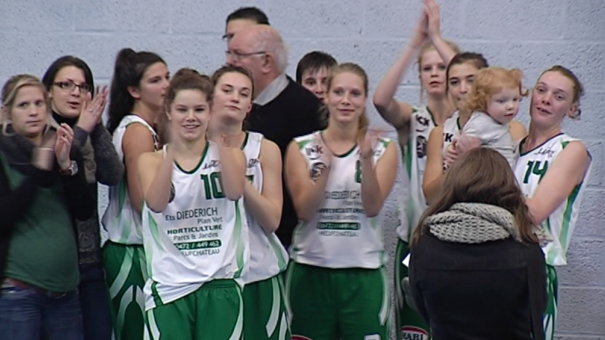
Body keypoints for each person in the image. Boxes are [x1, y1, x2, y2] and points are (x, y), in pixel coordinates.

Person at [285, 62, 398, 340]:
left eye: (355, 93)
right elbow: (305, 211)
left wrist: (366, 159)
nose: (346, 100)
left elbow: (372, 207)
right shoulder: (300, 147)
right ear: (326, 96)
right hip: (311, 271)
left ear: (364, 99)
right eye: (339, 92)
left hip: (363, 273)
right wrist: (326, 168)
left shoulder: (384, 149)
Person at [139, 68, 248, 340]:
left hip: (219, 282)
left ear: (210, 111)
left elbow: (235, 191)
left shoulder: (232, 155)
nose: (190, 117)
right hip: (170, 286)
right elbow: (156, 202)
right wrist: (173, 149)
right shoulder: (150, 160)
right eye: (182, 109)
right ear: (169, 112)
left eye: (199, 109)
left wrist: (218, 139)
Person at [372, 1, 458, 338]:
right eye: (428, 68)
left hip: (460, 243)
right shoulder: (413, 119)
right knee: (414, 331)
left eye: (442, 67)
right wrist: (414, 45)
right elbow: (380, 100)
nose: (436, 74)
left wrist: (436, 37)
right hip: (416, 242)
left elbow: (476, 82)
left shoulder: (474, 121)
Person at [409, 147, 547, 340]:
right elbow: (538, 310)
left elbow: (423, 309)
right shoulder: (527, 250)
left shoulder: (423, 246)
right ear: (506, 187)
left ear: (453, 184)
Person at [0, 74, 94, 339]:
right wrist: (38, 171)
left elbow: (84, 210)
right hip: (19, 292)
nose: (33, 112)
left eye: (39, 104)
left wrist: (66, 167)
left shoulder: (60, 146)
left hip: (66, 293)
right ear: (7, 113)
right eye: (24, 105)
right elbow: (4, 216)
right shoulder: (3, 152)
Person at [42, 55, 122, 340]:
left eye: (83, 86)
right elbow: (49, 172)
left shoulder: (89, 130)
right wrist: (81, 130)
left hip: (89, 262)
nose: (76, 92)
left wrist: (95, 127)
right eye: (66, 84)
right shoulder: (39, 129)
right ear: (48, 90)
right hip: (50, 267)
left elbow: (113, 174)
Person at [210, 65, 290, 340]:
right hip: (210, 277)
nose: (235, 97)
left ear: (249, 107)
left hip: (258, 274)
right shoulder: (193, 148)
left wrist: (237, 175)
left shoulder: (265, 149)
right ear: (210, 97)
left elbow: (272, 219)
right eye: (227, 90)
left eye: (244, 94)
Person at [227, 24, 323, 248]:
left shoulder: (306, 109)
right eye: (229, 52)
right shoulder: (230, 108)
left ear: (267, 62)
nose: (230, 60)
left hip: (282, 242)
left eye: (238, 54)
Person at [103, 48, 170, 340]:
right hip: (130, 251)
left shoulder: (153, 129)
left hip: (145, 249)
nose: (167, 84)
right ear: (134, 90)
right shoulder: (137, 131)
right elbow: (142, 201)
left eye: (167, 76)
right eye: (156, 80)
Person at [422, 52, 527, 204]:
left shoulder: (514, 129)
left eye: (471, 81)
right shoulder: (439, 132)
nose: (462, 89)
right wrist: (459, 163)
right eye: (454, 82)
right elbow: (430, 196)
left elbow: (515, 183)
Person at [449, 67, 528, 168]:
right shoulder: (481, 123)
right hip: (488, 179)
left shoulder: (496, 122)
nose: (511, 106)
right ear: (483, 101)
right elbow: (463, 145)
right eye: (501, 101)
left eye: (515, 99)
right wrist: (453, 150)